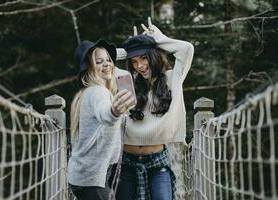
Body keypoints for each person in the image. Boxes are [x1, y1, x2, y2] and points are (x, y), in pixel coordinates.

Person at [116, 18, 194, 200]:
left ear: (154, 55)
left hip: (157, 162)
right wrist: (131, 48)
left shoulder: (171, 78)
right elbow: (101, 61)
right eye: (134, 61)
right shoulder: (127, 82)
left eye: (144, 58)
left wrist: (158, 39)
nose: (140, 66)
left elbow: (186, 49)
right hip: (126, 162)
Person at [67, 39, 136, 200]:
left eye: (108, 60)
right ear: (89, 68)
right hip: (92, 178)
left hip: (83, 175)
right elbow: (105, 115)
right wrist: (114, 111)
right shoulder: (98, 92)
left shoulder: (86, 92)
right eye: (99, 62)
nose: (106, 64)